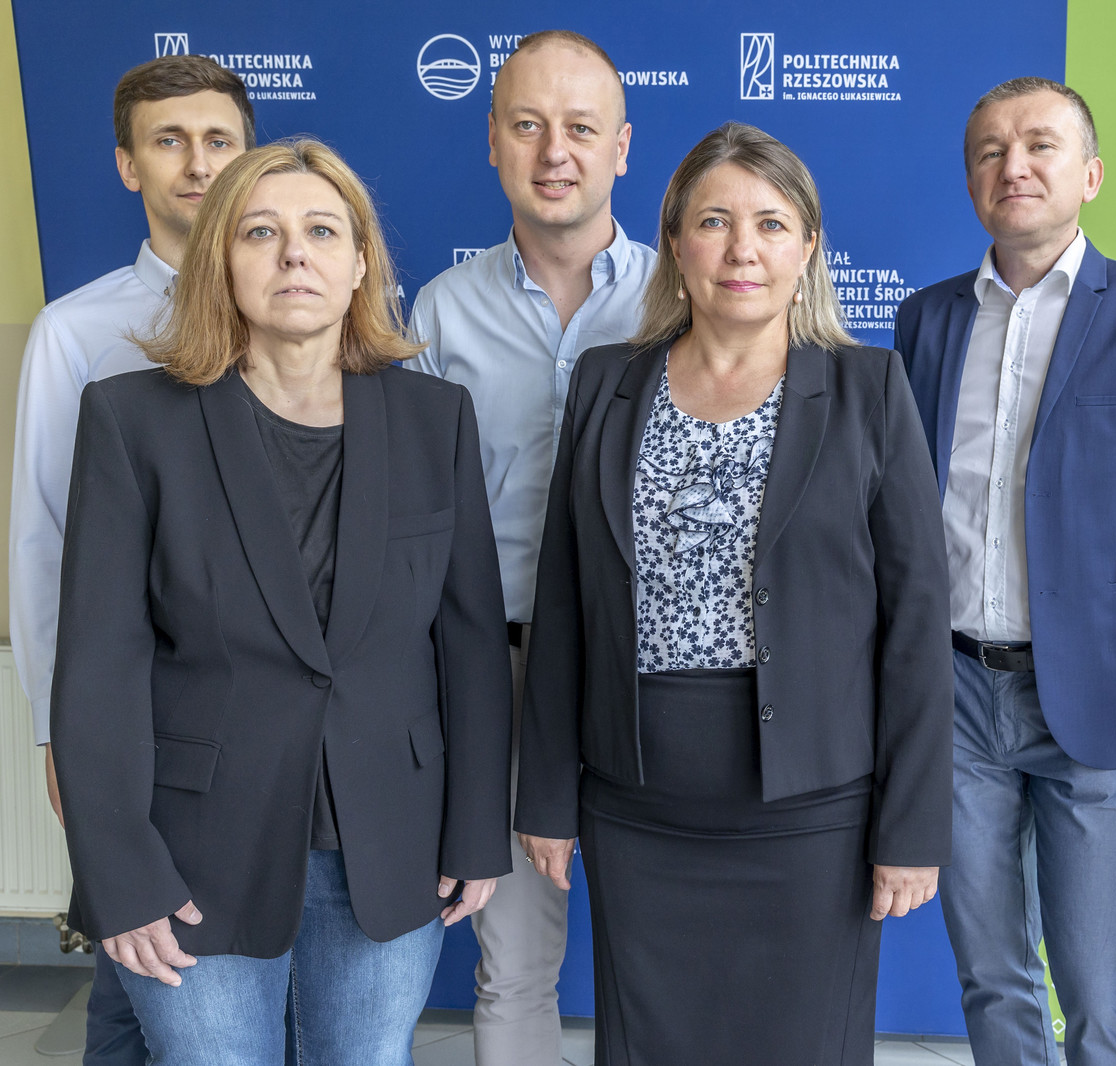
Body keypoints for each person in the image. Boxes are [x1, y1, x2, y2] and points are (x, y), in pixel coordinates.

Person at [49, 138, 512, 1066]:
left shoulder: (436, 421)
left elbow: (468, 643)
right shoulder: (132, 421)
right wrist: (118, 871)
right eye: (260, 232)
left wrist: (476, 828)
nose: (295, 253)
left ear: (360, 264)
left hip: (391, 842)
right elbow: (99, 665)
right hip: (193, 855)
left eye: (322, 231)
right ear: (220, 261)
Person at [514, 121, 953, 1066]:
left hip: (813, 811)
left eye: (771, 223)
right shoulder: (606, 382)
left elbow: (917, 621)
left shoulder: (869, 386)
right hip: (638, 800)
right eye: (714, 221)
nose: (742, 249)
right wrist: (545, 795)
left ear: (809, 248)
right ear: (676, 243)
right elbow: (565, 598)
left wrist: (913, 825)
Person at [894, 77, 1116, 1066]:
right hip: (955, 696)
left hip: (1094, 701)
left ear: (1089, 173)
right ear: (970, 180)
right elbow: (907, 504)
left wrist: (1109, 629)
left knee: (1099, 990)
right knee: (991, 973)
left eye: (1040, 145)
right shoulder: (925, 321)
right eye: (990, 150)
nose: (1015, 166)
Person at [406, 32, 654, 1064]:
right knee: (511, 966)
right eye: (528, 125)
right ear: (494, 142)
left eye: (581, 128)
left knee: (668, 955)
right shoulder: (439, 312)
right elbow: (412, 521)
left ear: (621, 149)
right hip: (496, 669)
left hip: (653, 671)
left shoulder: (684, 299)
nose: (556, 151)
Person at [8, 54, 254, 1066]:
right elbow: (42, 543)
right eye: (169, 141)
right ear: (127, 165)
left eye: (218, 140)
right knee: (136, 967)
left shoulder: (305, 307)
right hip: (133, 712)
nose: (197, 164)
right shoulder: (77, 332)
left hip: (264, 711)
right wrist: (58, 729)